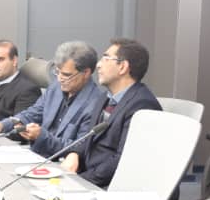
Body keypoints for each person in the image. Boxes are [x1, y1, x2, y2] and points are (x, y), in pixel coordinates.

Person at [60, 38, 162, 188]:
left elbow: (122, 160)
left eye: (106, 58)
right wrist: (74, 153)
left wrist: (79, 181)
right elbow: (89, 137)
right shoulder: (105, 98)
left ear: (123, 67)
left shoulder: (142, 105)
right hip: (92, 176)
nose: (98, 65)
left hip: (113, 187)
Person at [0, 40, 102, 157]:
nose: (60, 79)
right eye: (57, 72)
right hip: (36, 154)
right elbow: (32, 113)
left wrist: (41, 137)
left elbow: (80, 148)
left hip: (59, 162)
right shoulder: (56, 87)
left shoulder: (95, 104)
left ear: (86, 73)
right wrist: (2, 125)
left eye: (66, 75)